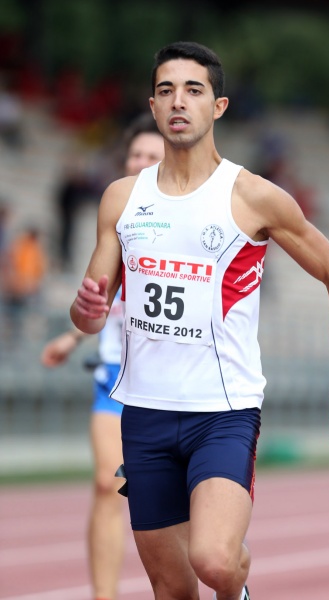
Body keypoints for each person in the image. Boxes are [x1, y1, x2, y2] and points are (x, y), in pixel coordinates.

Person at [70, 42, 329, 600]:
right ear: (153, 107)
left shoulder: (252, 196)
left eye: (193, 90)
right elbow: (89, 313)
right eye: (166, 91)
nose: (178, 101)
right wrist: (85, 311)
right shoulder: (121, 199)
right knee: (172, 588)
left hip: (223, 413)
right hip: (145, 411)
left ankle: (237, 585)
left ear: (219, 106)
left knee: (213, 559)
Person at [41, 113, 165, 600]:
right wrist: (72, 338)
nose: (141, 163)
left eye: (152, 156)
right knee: (106, 483)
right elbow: (103, 296)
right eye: (135, 154)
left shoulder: (191, 220)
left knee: (178, 504)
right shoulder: (117, 217)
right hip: (115, 372)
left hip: (174, 381)